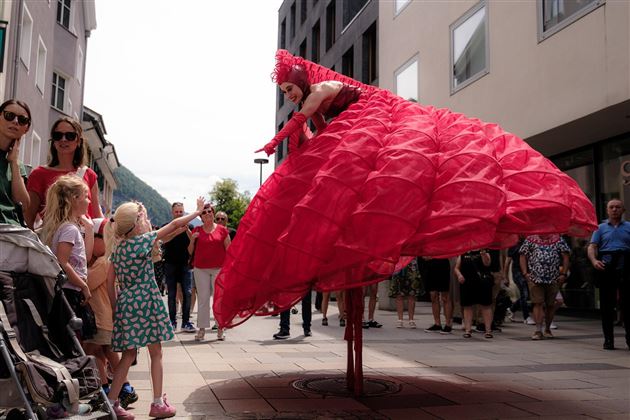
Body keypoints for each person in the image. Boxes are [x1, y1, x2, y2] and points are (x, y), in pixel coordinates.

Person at [213, 50, 596, 332]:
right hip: (357, 124)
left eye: (289, 88)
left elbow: (299, 123)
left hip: (374, 114)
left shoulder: (321, 89)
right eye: (284, 91)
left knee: (407, 172)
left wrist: (273, 144)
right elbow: (310, 131)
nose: (289, 95)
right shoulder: (312, 99)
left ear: (301, 81)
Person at [105, 197, 205, 419]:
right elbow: (175, 225)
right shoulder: (142, 242)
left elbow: (109, 282)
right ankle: (158, 403)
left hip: (126, 304)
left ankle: (112, 403)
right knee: (156, 353)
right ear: (137, 222)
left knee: (128, 355)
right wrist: (197, 212)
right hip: (147, 301)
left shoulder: (118, 249)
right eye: (144, 218)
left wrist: (114, 308)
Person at [85, 218, 137, 409]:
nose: (88, 240)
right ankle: (124, 388)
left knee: (94, 351)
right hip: (104, 317)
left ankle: (106, 389)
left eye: (95, 236)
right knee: (107, 352)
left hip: (101, 317)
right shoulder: (103, 260)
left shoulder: (101, 262)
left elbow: (87, 284)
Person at [41, 175, 96, 340]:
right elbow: (62, 262)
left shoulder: (67, 228)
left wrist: (90, 229)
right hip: (69, 292)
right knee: (72, 338)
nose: (89, 201)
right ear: (74, 199)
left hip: (69, 291)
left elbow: (84, 257)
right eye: (86, 197)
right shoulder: (69, 229)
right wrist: (83, 285)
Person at [25, 117, 103, 228]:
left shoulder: (89, 175)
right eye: (58, 135)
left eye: (70, 136)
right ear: (53, 141)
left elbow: (96, 217)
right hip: (52, 241)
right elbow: (29, 217)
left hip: (84, 242)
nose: (63, 139)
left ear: (78, 141)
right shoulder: (38, 174)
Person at [588, 199, 630, 350]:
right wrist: (594, 261)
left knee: (627, 305)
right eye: (611, 207)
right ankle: (608, 340)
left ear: (623, 210)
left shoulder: (629, 227)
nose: (614, 210)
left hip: (625, 265)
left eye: (618, 207)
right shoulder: (600, 228)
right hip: (607, 267)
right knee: (607, 305)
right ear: (607, 210)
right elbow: (592, 247)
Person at [188, 204, 231, 341]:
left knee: (219, 298)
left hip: (219, 268)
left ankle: (220, 327)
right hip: (200, 269)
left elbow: (229, 250)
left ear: (213, 213)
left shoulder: (222, 230)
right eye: (204, 212)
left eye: (210, 211)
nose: (208, 214)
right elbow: (189, 252)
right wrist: (193, 240)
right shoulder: (197, 230)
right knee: (203, 299)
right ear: (201, 217)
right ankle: (201, 329)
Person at [519, 234, 570, 341]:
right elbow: (523, 255)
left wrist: (564, 274)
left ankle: (547, 329)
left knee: (550, 304)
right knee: (537, 303)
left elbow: (565, 255)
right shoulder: (530, 239)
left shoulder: (558, 239)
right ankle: (538, 330)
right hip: (535, 278)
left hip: (553, 278)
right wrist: (525, 273)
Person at [161, 202, 195, 333]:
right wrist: (176, 231)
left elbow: (193, 243)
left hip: (185, 264)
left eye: (181, 212)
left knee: (188, 292)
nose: (179, 214)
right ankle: (172, 321)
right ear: (172, 213)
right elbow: (163, 240)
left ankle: (186, 322)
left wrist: (186, 230)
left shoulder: (190, 226)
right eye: (177, 212)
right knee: (172, 294)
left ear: (184, 212)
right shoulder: (167, 227)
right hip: (170, 264)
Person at [0, 100, 31, 226]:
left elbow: (23, 205)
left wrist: (14, 163)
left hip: (12, 231)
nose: (15, 122)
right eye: (9, 116)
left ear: (26, 129)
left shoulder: (17, 164)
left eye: (22, 120)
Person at [455, 250, 494, 339]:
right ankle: (468, 330)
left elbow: (487, 264)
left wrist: (483, 254)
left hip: (483, 282)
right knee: (467, 306)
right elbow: (457, 268)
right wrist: (459, 275)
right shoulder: (464, 253)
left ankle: (488, 330)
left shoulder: (485, 250)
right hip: (467, 282)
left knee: (486, 306)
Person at [504, 238, 533, 324]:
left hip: (529, 272)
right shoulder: (513, 245)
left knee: (526, 295)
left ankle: (511, 309)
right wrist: (506, 277)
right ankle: (526, 317)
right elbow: (507, 261)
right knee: (524, 293)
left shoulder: (530, 243)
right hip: (517, 272)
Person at [421, 258, 453, 334]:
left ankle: (448, 324)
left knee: (445, 296)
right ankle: (437, 324)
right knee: (433, 296)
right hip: (430, 266)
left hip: (442, 264)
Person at [388, 258, 421, 328]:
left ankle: (411, 320)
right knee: (399, 294)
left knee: (411, 294)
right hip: (399, 265)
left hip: (412, 265)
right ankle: (400, 320)